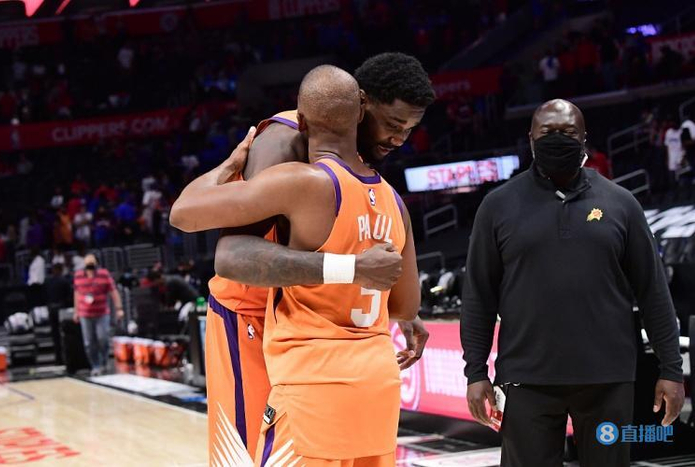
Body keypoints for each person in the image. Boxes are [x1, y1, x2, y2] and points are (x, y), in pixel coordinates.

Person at [171, 52, 435, 460]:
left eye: (409, 130)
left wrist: (388, 298)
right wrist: (353, 271)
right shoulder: (286, 139)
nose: (399, 139)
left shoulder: (357, 162)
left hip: (308, 325)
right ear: (360, 104)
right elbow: (233, 251)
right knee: (244, 455)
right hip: (250, 312)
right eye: (393, 124)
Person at [461, 99, 684, 467]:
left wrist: (671, 370)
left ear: (584, 138)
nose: (557, 139)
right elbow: (478, 298)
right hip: (526, 378)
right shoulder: (497, 206)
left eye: (567, 132)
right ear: (531, 138)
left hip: (607, 379)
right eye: (547, 132)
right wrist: (475, 372)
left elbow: (654, 293)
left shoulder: (621, 203)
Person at [73, 254, 124, 376]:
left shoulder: (104, 274)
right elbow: (77, 293)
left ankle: (104, 362)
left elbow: (113, 291)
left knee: (103, 338)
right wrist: (76, 311)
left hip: (101, 313)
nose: (89, 264)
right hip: (85, 314)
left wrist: (119, 308)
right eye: (87, 261)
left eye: (92, 261)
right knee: (89, 342)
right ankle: (95, 365)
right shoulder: (78, 275)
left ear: (96, 263)